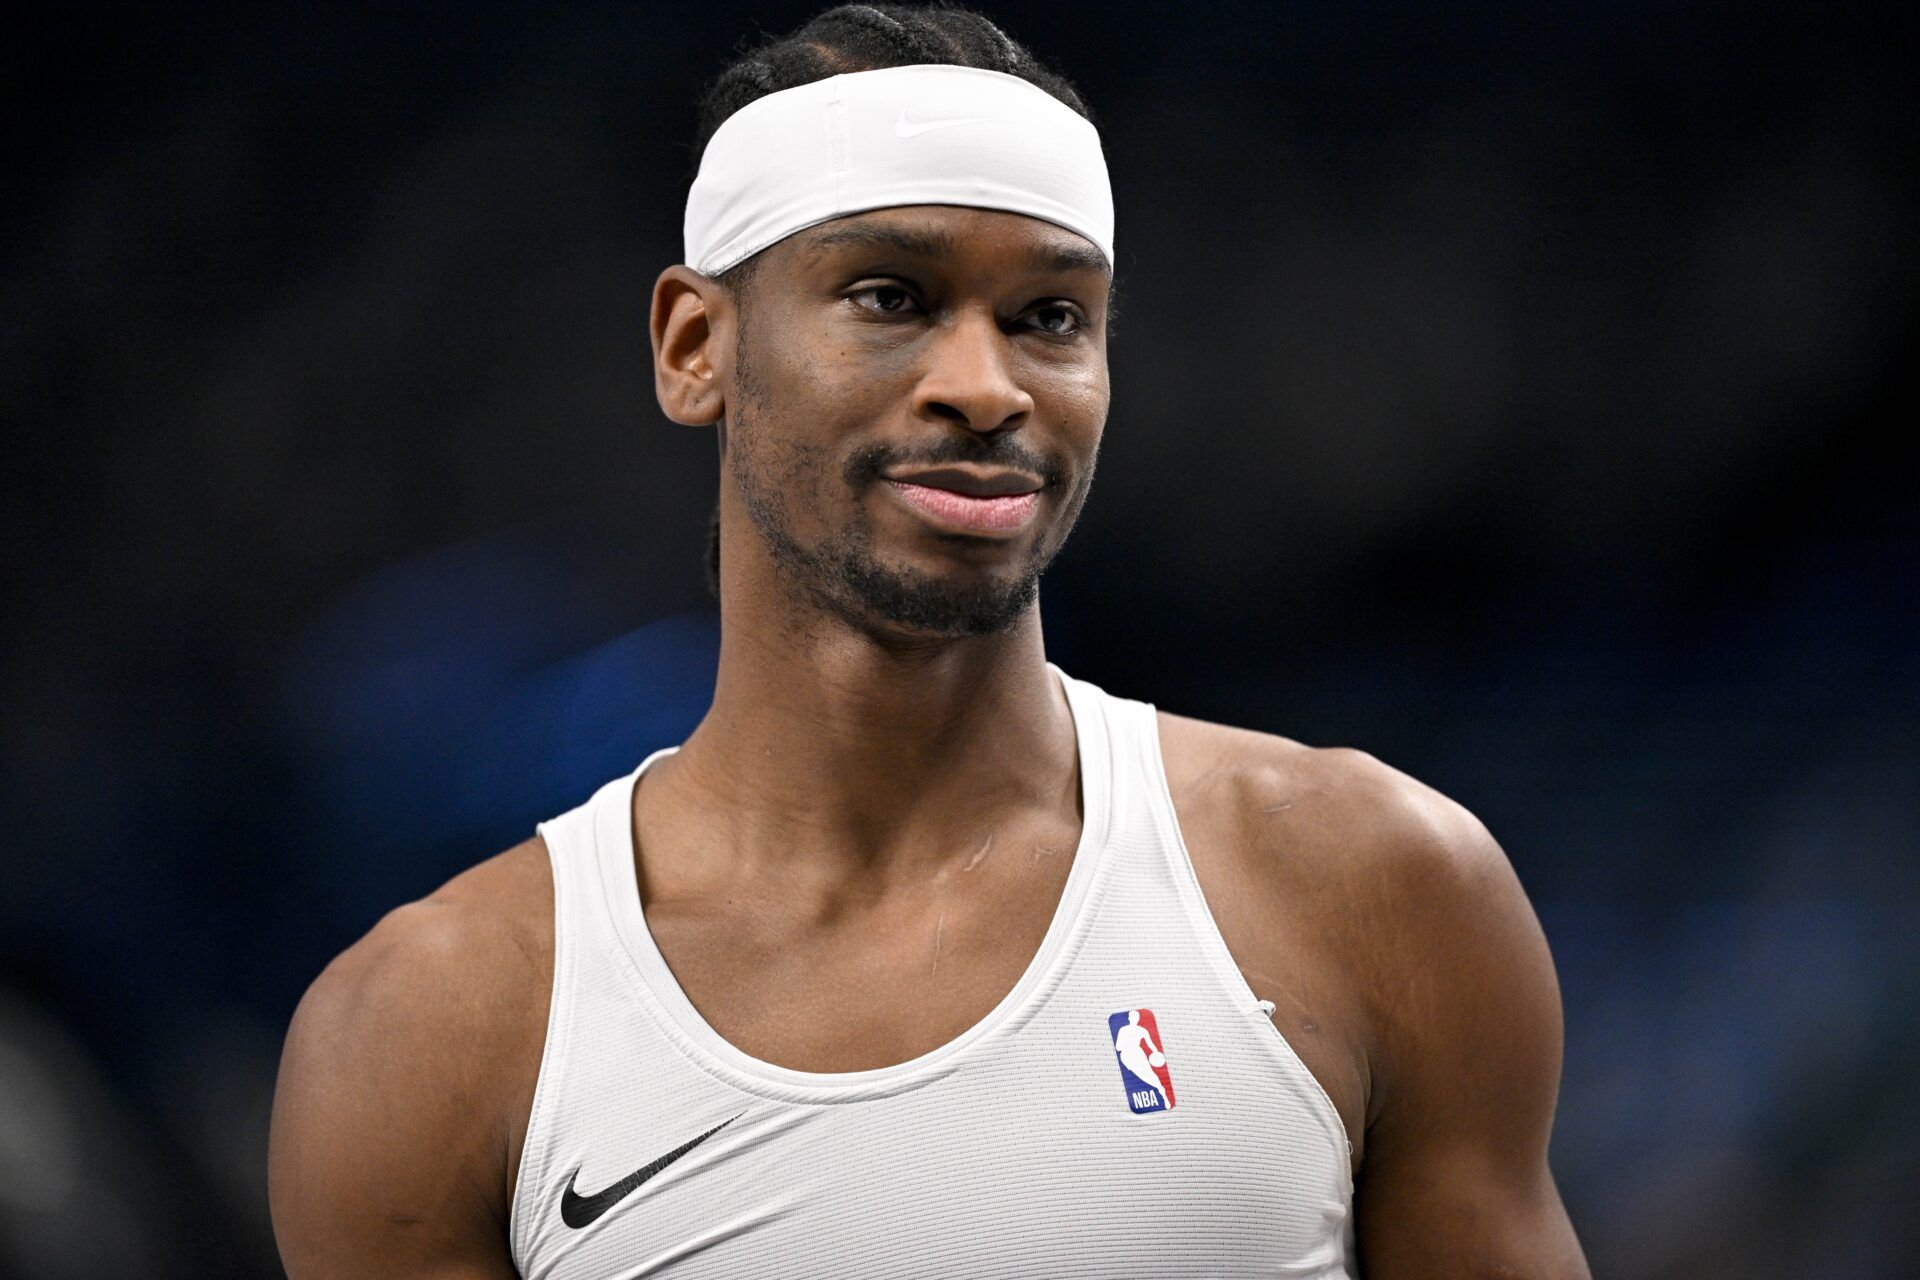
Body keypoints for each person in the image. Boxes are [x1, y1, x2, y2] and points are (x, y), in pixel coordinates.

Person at [268, 5, 1591, 1277]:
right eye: (892, 296)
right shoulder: (435, 1033)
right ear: (694, 347)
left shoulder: (1369, 887)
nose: (988, 386)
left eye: (1051, 317)